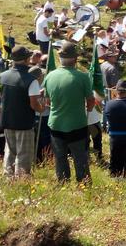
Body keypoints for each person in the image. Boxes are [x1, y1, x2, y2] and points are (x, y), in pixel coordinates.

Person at [42, 42, 95, 183]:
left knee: (60, 157)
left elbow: (47, 102)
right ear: (75, 59)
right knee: (80, 157)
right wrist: (88, 109)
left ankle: (62, 182)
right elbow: (91, 101)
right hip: (77, 123)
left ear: (60, 58)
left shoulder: (49, 76)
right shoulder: (83, 77)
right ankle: (83, 183)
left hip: (56, 123)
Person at [0, 46, 43, 177]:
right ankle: (21, 180)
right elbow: (34, 104)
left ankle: (8, 177)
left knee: (10, 151)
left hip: (7, 120)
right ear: (26, 59)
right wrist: (42, 108)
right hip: (24, 122)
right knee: (24, 153)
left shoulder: (2, 76)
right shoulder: (31, 80)